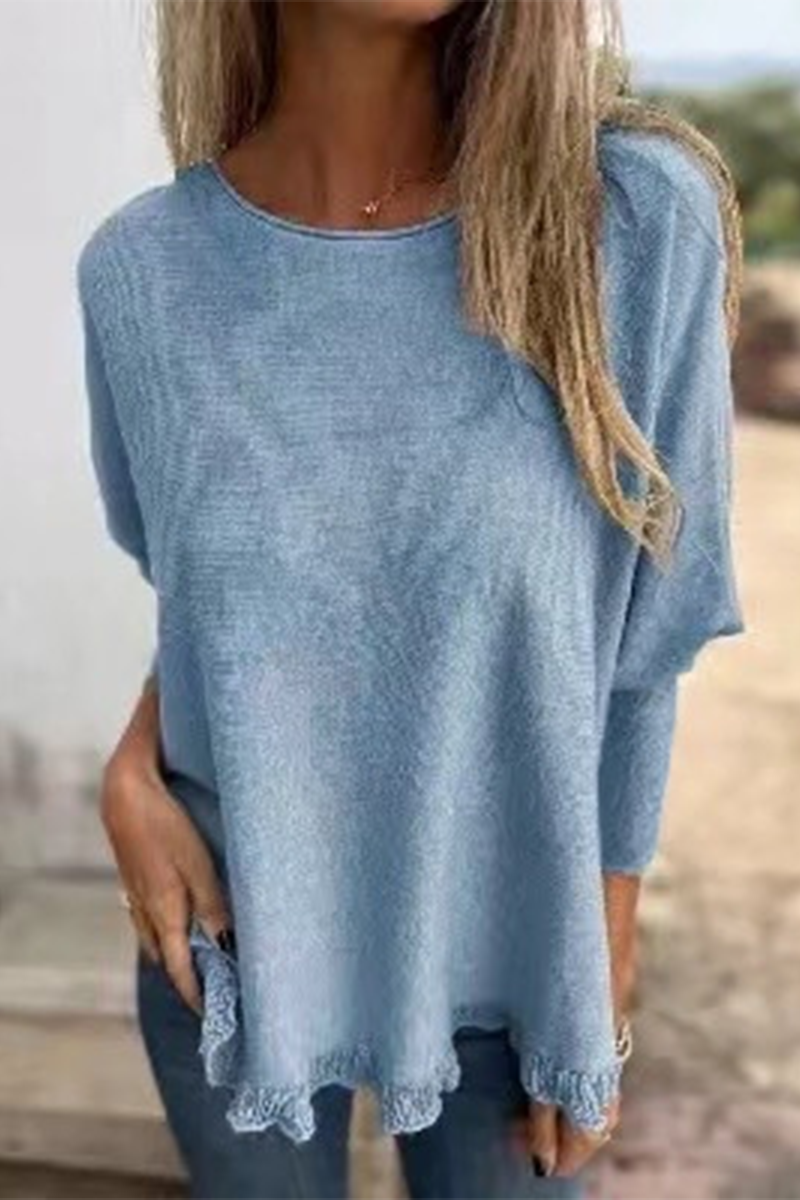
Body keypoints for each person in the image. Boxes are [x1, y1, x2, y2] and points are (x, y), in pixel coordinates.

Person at [74, 1, 746, 1196]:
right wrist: (131, 767)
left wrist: (601, 952)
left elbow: (639, 643)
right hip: (231, 933)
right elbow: (217, 611)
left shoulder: (630, 221)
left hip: (515, 959)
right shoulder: (144, 273)